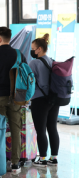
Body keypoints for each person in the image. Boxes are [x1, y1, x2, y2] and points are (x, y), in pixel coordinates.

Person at [0, 27, 27, 173]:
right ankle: (15, 164)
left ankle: (0, 162)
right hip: (16, 97)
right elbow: (25, 75)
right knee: (16, 129)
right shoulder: (19, 54)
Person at [29, 34, 59, 167]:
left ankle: (42, 158)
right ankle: (53, 157)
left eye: (33, 49)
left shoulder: (34, 63)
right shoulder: (52, 61)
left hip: (39, 100)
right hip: (53, 99)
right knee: (52, 127)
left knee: (40, 129)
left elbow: (29, 82)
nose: (32, 51)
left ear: (39, 49)